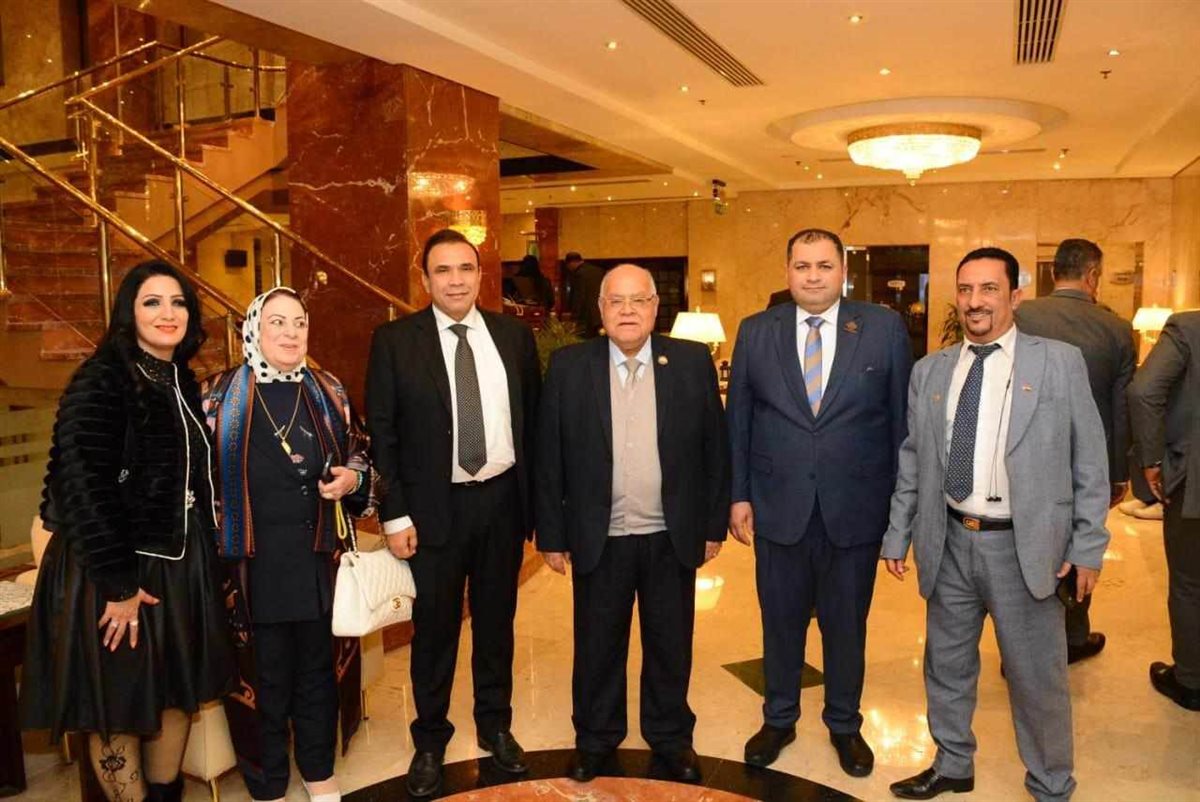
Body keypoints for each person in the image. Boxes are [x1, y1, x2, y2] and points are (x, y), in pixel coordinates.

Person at [882, 247, 1110, 801]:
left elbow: (1090, 461)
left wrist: (1087, 547)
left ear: (1015, 295)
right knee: (946, 666)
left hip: (1023, 548)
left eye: (989, 289)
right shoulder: (930, 371)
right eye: (965, 290)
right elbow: (914, 458)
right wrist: (897, 533)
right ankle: (952, 764)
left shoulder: (1059, 363)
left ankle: (1051, 783)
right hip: (949, 540)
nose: (975, 301)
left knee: (1036, 679)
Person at [21, 260, 234, 802]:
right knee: (116, 704)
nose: (168, 313)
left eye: (178, 302)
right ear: (128, 313)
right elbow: (82, 486)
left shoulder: (178, 378)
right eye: (152, 302)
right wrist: (118, 585)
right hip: (113, 571)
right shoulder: (103, 377)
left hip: (176, 568)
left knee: (174, 695)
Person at [726, 228, 912, 776]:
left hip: (856, 509)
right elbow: (738, 421)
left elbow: (902, 426)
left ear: (843, 272)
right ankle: (779, 718)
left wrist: (901, 512)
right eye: (802, 266)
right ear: (787, 271)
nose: (812, 276)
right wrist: (738, 495)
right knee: (780, 623)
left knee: (846, 625)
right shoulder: (756, 330)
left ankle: (845, 724)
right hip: (777, 506)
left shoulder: (882, 328)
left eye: (824, 266)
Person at [536, 264, 729, 783]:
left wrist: (713, 526)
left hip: (671, 534)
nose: (627, 311)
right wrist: (552, 534)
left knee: (670, 645)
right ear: (600, 309)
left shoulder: (690, 362)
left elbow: (715, 449)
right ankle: (595, 739)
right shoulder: (569, 366)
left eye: (638, 300)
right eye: (616, 301)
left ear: (654, 308)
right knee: (597, 646)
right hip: (599, 536)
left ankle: (671, 738)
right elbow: (549, 456)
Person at [366, 228, 541, 797]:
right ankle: (430, 740)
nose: (456, 280)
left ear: (481, 274)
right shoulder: (395, 341)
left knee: (496, 625)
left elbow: (534, 425)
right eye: (443, 270)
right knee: (435, 632)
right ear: (425, 279)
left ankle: (495, 726)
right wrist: (395, 515)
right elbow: (383, 435)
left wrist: (538, 511)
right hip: (432, 510)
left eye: (466, 268)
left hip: (502, 503)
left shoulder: (514, 338)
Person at [202, 288, 374, 802]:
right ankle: (268, 781)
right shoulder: (216, 397)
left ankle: (319, 771)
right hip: (248, 566)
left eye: (299, 322)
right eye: (276, 322)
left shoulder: (329, 391)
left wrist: (352, 478)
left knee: (318, 674)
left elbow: (361, 453)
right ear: (252, 329)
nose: (290, 332)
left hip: (318, 559)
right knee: (264, 678)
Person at [1014, 238, 1135, 664]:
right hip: (1085, 463)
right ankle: (1072, 637)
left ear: (1053, 273)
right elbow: (1121, 408)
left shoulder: (1020, 315)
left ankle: (1020, 645)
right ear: (1093, 275)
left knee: (1021, 544)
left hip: (1020, 456)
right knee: (1078, 546)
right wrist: (1118, 474)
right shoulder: (1116, 328)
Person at [1128, 310, 1200, 711]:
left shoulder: (1188, 328)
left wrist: (1153, 458)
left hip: (1194, 482)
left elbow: (1144, 390)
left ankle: (1190, 680)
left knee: (1190, 582)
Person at [563, 251, 605, 337]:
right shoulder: (599, 271)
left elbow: (579, 297)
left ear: (571, 263)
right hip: (602, 313)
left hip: (587, 317)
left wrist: (574, 317)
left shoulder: (579, 274)